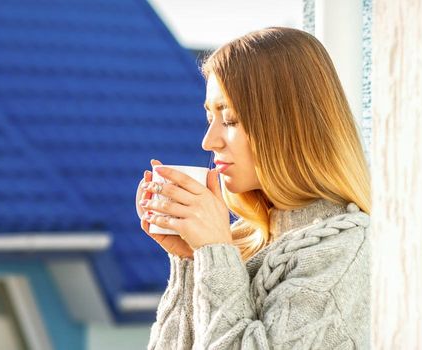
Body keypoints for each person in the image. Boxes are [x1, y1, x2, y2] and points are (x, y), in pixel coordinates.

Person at [134, 27, 371, 349]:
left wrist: (214, 254)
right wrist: (191, 260)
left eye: (230, 120)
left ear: (290, 125)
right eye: (210, 120)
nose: (209, 141)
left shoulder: (345, 253)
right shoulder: (243, 242)